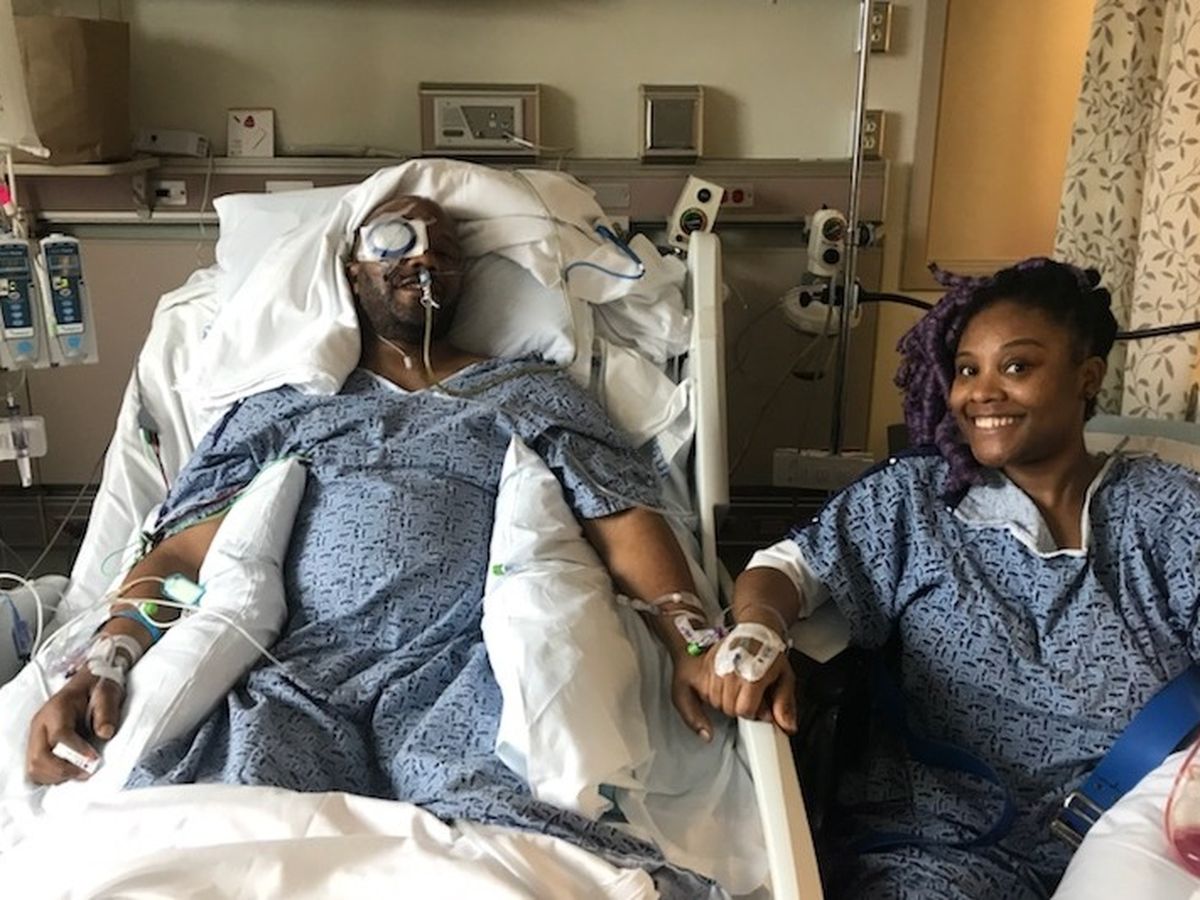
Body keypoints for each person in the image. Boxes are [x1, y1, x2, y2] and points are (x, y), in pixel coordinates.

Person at [23, 195, 721, 897]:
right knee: (235, 843)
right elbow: (181, 561)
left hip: (460, 670)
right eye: (396, 238)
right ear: (352, 273)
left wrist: (690, 639)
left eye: (444, 248)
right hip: (297, 671)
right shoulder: (288, 405)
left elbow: (622, 519)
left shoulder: (528, 391)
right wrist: (108, 660)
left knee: (500, 851)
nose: (424, 257)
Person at [694, 259, 1200, 898]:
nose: (981, 392)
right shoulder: (917, 501)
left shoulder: (1166, 509)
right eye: (967, 370)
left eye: (1016, 367)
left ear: (1088, 376)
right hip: (944, 846)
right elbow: (785, 569)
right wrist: (759, 629)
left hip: (1143, 833)